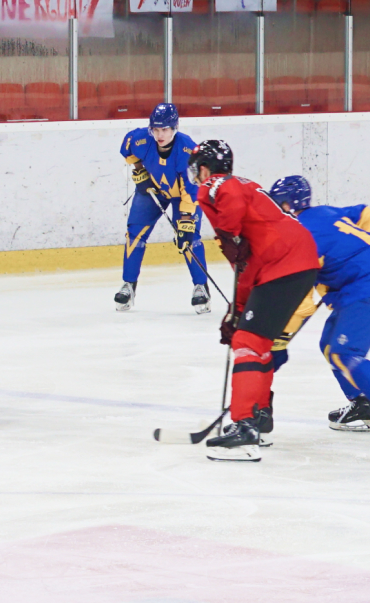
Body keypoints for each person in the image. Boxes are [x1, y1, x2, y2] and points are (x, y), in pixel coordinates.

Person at [268, 175, 370, 448]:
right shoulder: (324, 212)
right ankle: (362, 404)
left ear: (286, 206)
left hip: (369, 288)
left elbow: (302, 301)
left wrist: (279, 341)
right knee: (329, 344)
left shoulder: (300, 235)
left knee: (345, 353)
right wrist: (360, 253)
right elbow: (367, 214)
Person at [190, 139, 321, 462]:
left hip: (283, 263)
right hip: (296, 262)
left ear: (205, 168)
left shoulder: (217, 184)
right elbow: (246, 269)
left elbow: (228, 196)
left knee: (248, 342)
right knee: (257, 341)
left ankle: (245, 426)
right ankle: (257, 417)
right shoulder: (246, 187)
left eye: (198, 170)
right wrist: (236, 312)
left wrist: (228, 229)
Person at [116, 102, 210, 313]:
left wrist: (186, 219)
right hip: (153, 190)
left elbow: (192, 189)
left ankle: (201, 287)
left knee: (189, 238)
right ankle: (129, 286)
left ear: (174, 128)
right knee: (135, 234)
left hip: (183, 196)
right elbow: (126, 147)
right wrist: (140, 171)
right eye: (156, 129)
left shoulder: (187, 150)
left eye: (165, 129)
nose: (160, 134)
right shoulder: (141, 138)